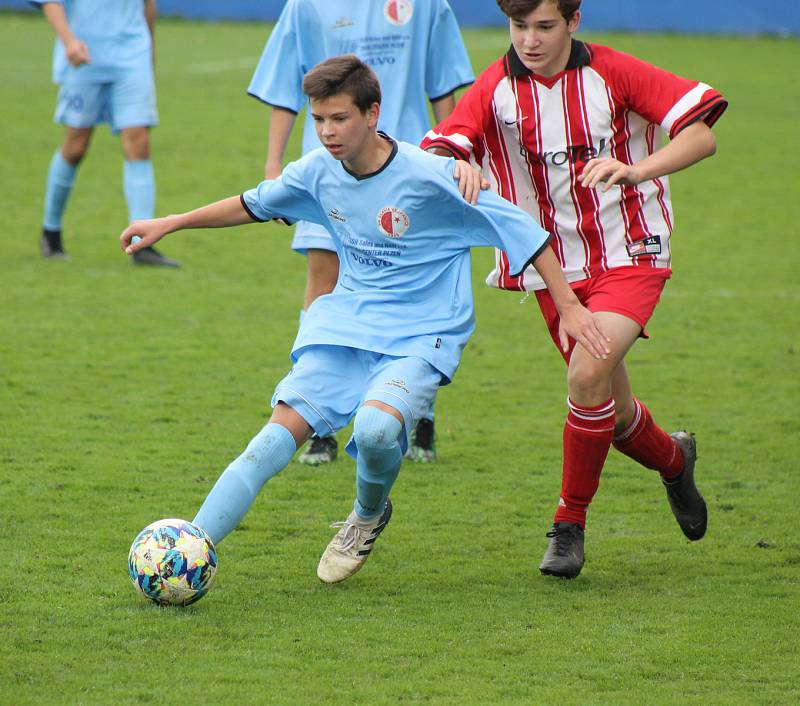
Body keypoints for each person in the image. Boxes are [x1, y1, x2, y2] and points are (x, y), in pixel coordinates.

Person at [120, 55, 609, 584]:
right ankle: (190, 549)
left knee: (377, 432)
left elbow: (525, 233)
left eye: (340, 119)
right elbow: (250, 204)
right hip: (345, 327)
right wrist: (170, 223)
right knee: (270, 440)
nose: (327, 132)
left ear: (373, 114)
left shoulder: (431, 176)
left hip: (422, 334)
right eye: (319, 120)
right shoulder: (316, 171)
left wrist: (570, 308)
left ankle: (367, 514)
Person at [420, 0, 728, 578]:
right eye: (519, 27)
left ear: (574, 21)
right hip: (553, 269)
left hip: (630, 249)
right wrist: (459, 166)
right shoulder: (495, 86)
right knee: (609, 413)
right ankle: (673, 459)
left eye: (544, 26)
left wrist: (638, 170)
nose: (530, 41)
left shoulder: (614, 72)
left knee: (587, 373)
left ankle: (568, 526)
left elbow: (701, 135)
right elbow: (443, 145)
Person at [248, 0, 475, 464]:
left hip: (409, 170)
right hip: (329, 172)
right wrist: (273, 167)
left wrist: (452, 154)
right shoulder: (307, 5)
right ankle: (317, 417)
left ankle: (420, 409)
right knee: (321, 283)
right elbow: (285, 84)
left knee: (416, 290)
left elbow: (444, 85)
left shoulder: (427, 4)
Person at [34, 0, 179, 267]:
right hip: (83, 57)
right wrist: (68, 41)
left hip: (132, 56)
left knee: (139, 143)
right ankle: (50, 232)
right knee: (75, 147)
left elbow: (148, 4)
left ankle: (142, 244)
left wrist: (149, 54)